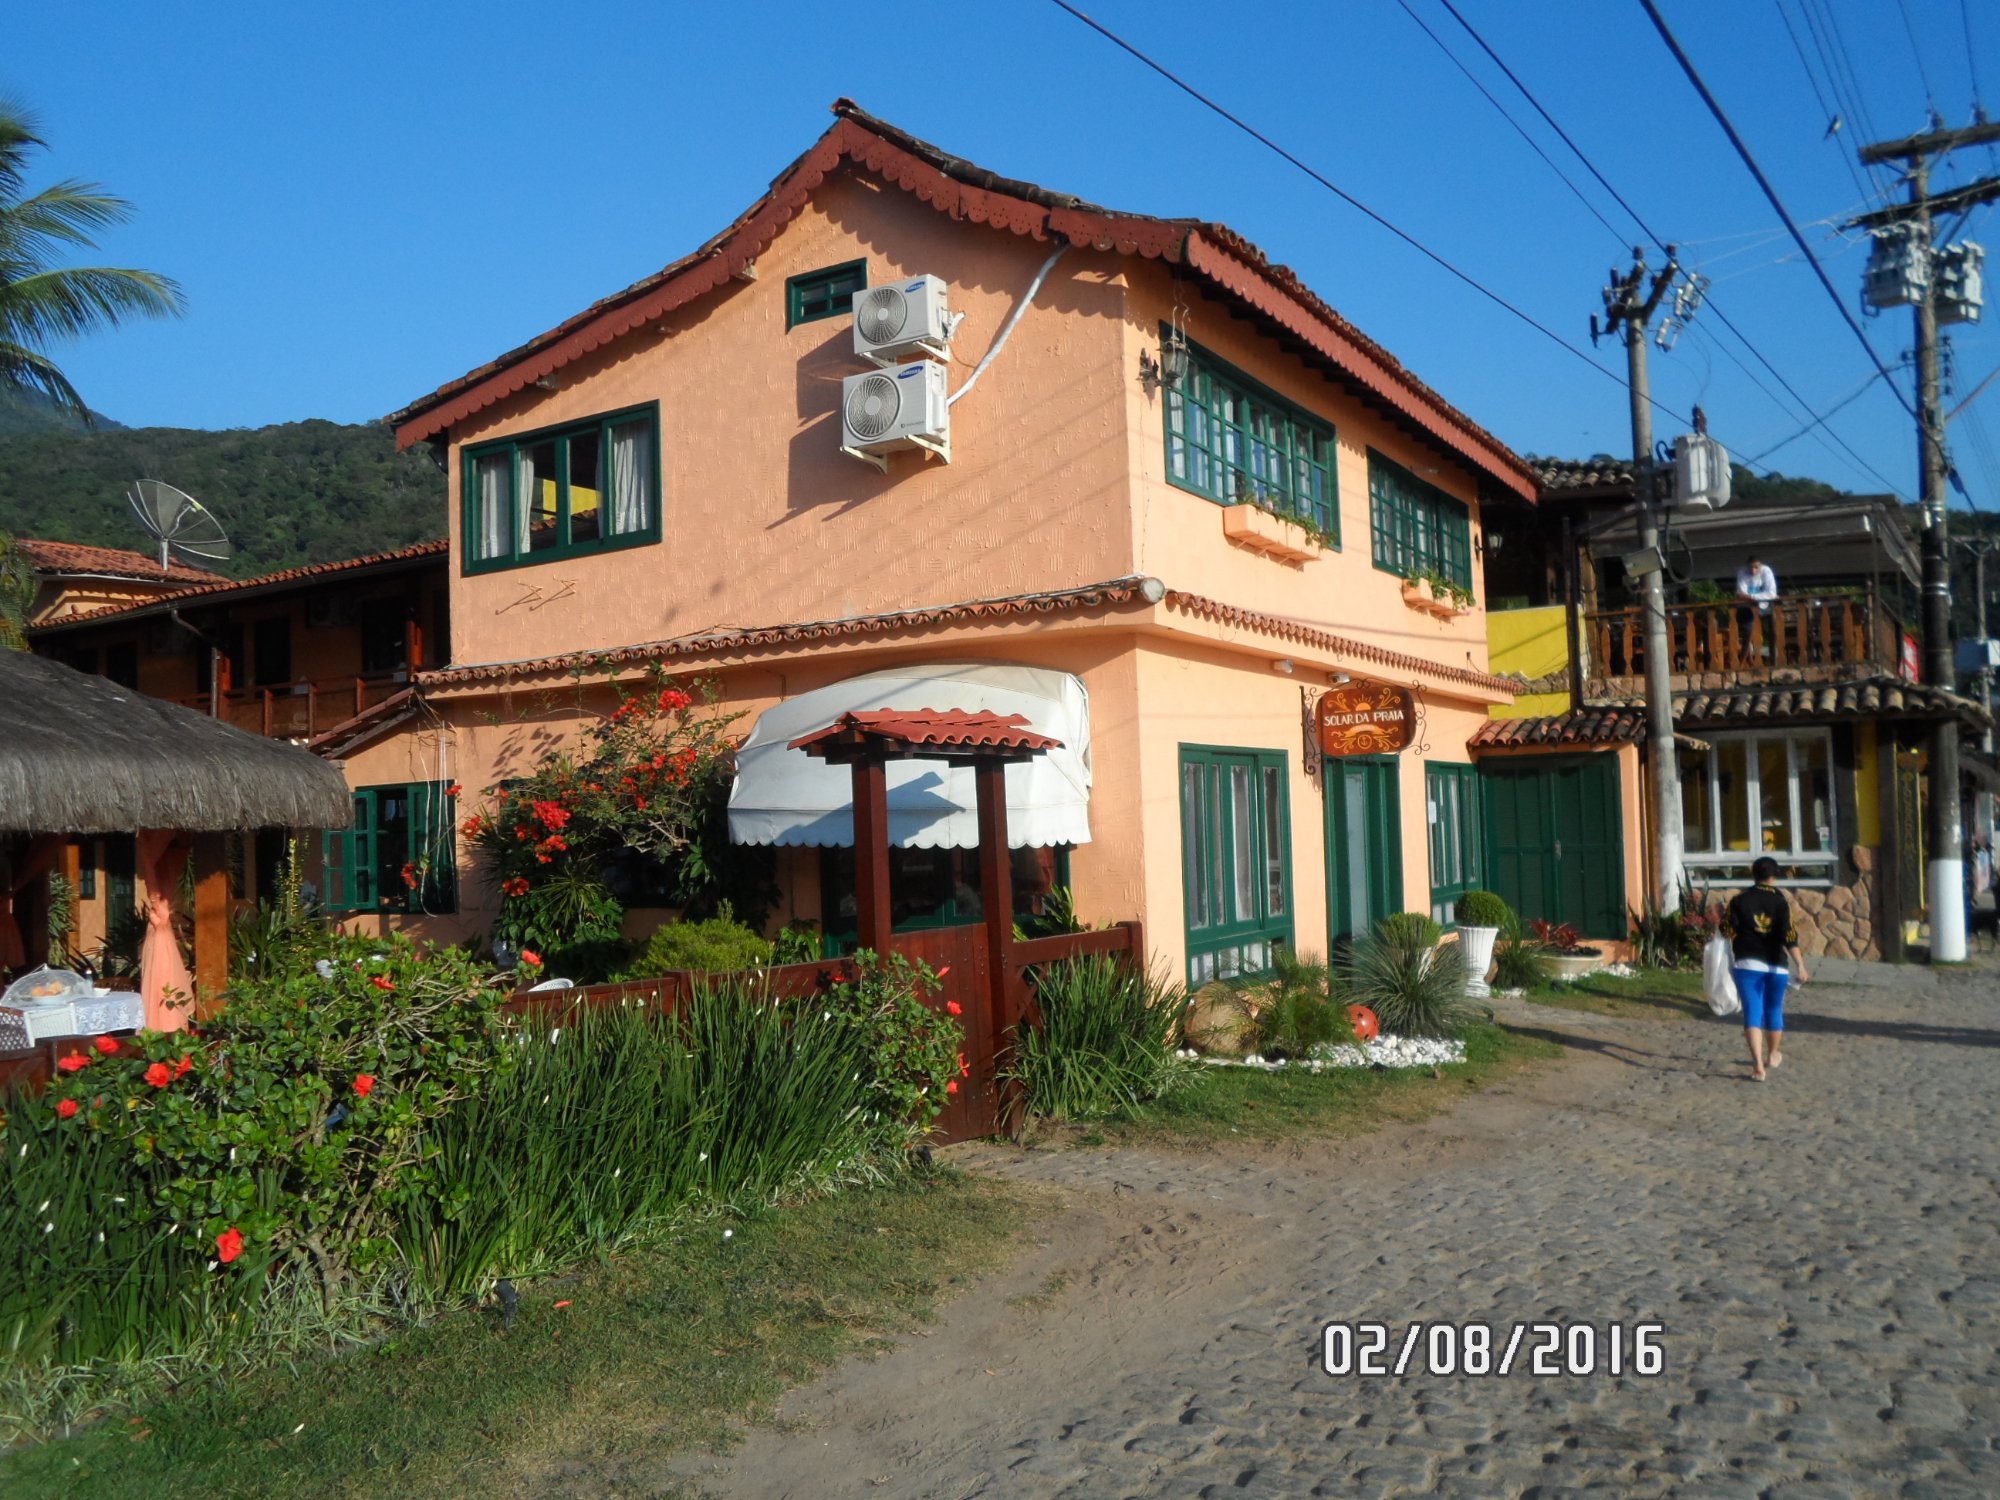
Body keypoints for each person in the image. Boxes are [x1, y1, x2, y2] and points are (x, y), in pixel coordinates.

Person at [1722, 856, 1809, 1081]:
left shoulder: (1739, 900)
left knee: (1752, 1012)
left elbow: (1727, 931)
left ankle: (1758, 1066)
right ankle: (1772, 1054)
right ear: (1775, 876)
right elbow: (1789, 936)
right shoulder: (1781, 902)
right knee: (1773, 1010)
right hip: (1776, 966)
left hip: (1747, 964)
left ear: (1754, 875)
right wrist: (1800, 964)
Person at [1735, 554, 1779, 660]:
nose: (1753, 571)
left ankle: (1774, 658)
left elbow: (1771, 593)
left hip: (1765, 605)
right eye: (1751, 568)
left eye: (1756, 568)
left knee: (1773, 629)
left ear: (1761, 566)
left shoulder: (1766, 571)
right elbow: (1741, 593)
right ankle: (1744, 660)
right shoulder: (1742, 572)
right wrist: (1760, 596)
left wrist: (1750, 597)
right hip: (1747, 607)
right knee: (1747, 633)